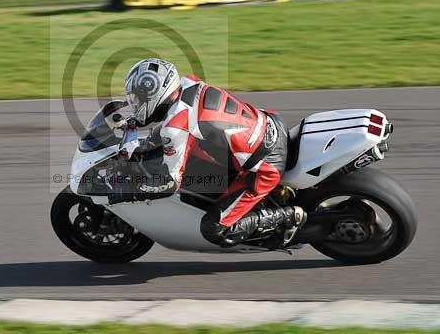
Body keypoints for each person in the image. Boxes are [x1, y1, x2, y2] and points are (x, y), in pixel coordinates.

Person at [118, 57, 306, 248]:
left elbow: (169, 183)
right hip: (268, 123)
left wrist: (133, 191)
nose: (136, 105)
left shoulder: (174, 129)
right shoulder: (188, 82)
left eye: (138, 100)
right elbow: (179, 125)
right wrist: (141, 133)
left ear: (154, 95)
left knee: (213, 229)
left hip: (264, 166)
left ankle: (287, 216)